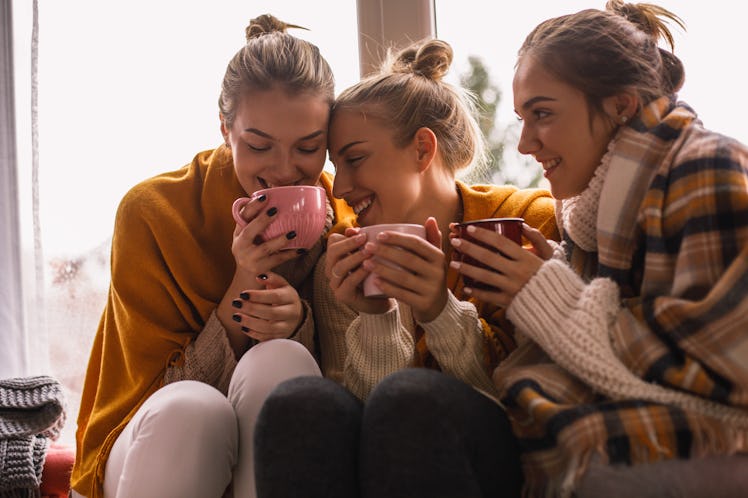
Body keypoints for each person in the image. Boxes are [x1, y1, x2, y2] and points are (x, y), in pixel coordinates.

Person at [448, 1, 748, 497]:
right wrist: (553, 275)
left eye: (542, 114)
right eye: (522, 118)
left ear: (621, 105)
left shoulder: (705, 171)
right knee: (422, 404)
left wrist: (551, 296)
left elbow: (728, 378)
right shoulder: (589, 208)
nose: (525, 144)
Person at [252, 38, 559, 498]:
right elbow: (361, 432)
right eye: (338, 166)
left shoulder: (523, 224)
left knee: (411, 397)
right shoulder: (345, 259)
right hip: (398, 455)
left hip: (506, 456)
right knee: (300, 401)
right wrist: (377, 316)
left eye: (355, 159)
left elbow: (530, 409)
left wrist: (440, 310)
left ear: (421, 149)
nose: (342, 189)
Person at [70, 14, 354, 498]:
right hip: (151, 440)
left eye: (308, 148)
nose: (285, 171)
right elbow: (155, 394)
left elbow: (345, 394)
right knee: (194, 411)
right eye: (259, 145)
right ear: (224, 128)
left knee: (282, 362)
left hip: (263, 451)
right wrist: (243, 280)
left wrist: (299, 325)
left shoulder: (341, 221)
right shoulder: (154, 213)